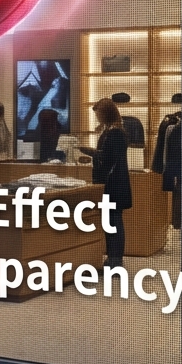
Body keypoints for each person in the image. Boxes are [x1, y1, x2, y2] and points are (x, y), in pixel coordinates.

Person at [80, 97, 133, 267]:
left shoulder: (115, 132)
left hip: (114, 184)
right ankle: (113, 259)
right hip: (114, 183)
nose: (98, 119)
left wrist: (92, 153)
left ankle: (115, 260)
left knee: (113, 222)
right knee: (111, 222)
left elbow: (109, 158)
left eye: (99, 115)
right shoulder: (113, 130)